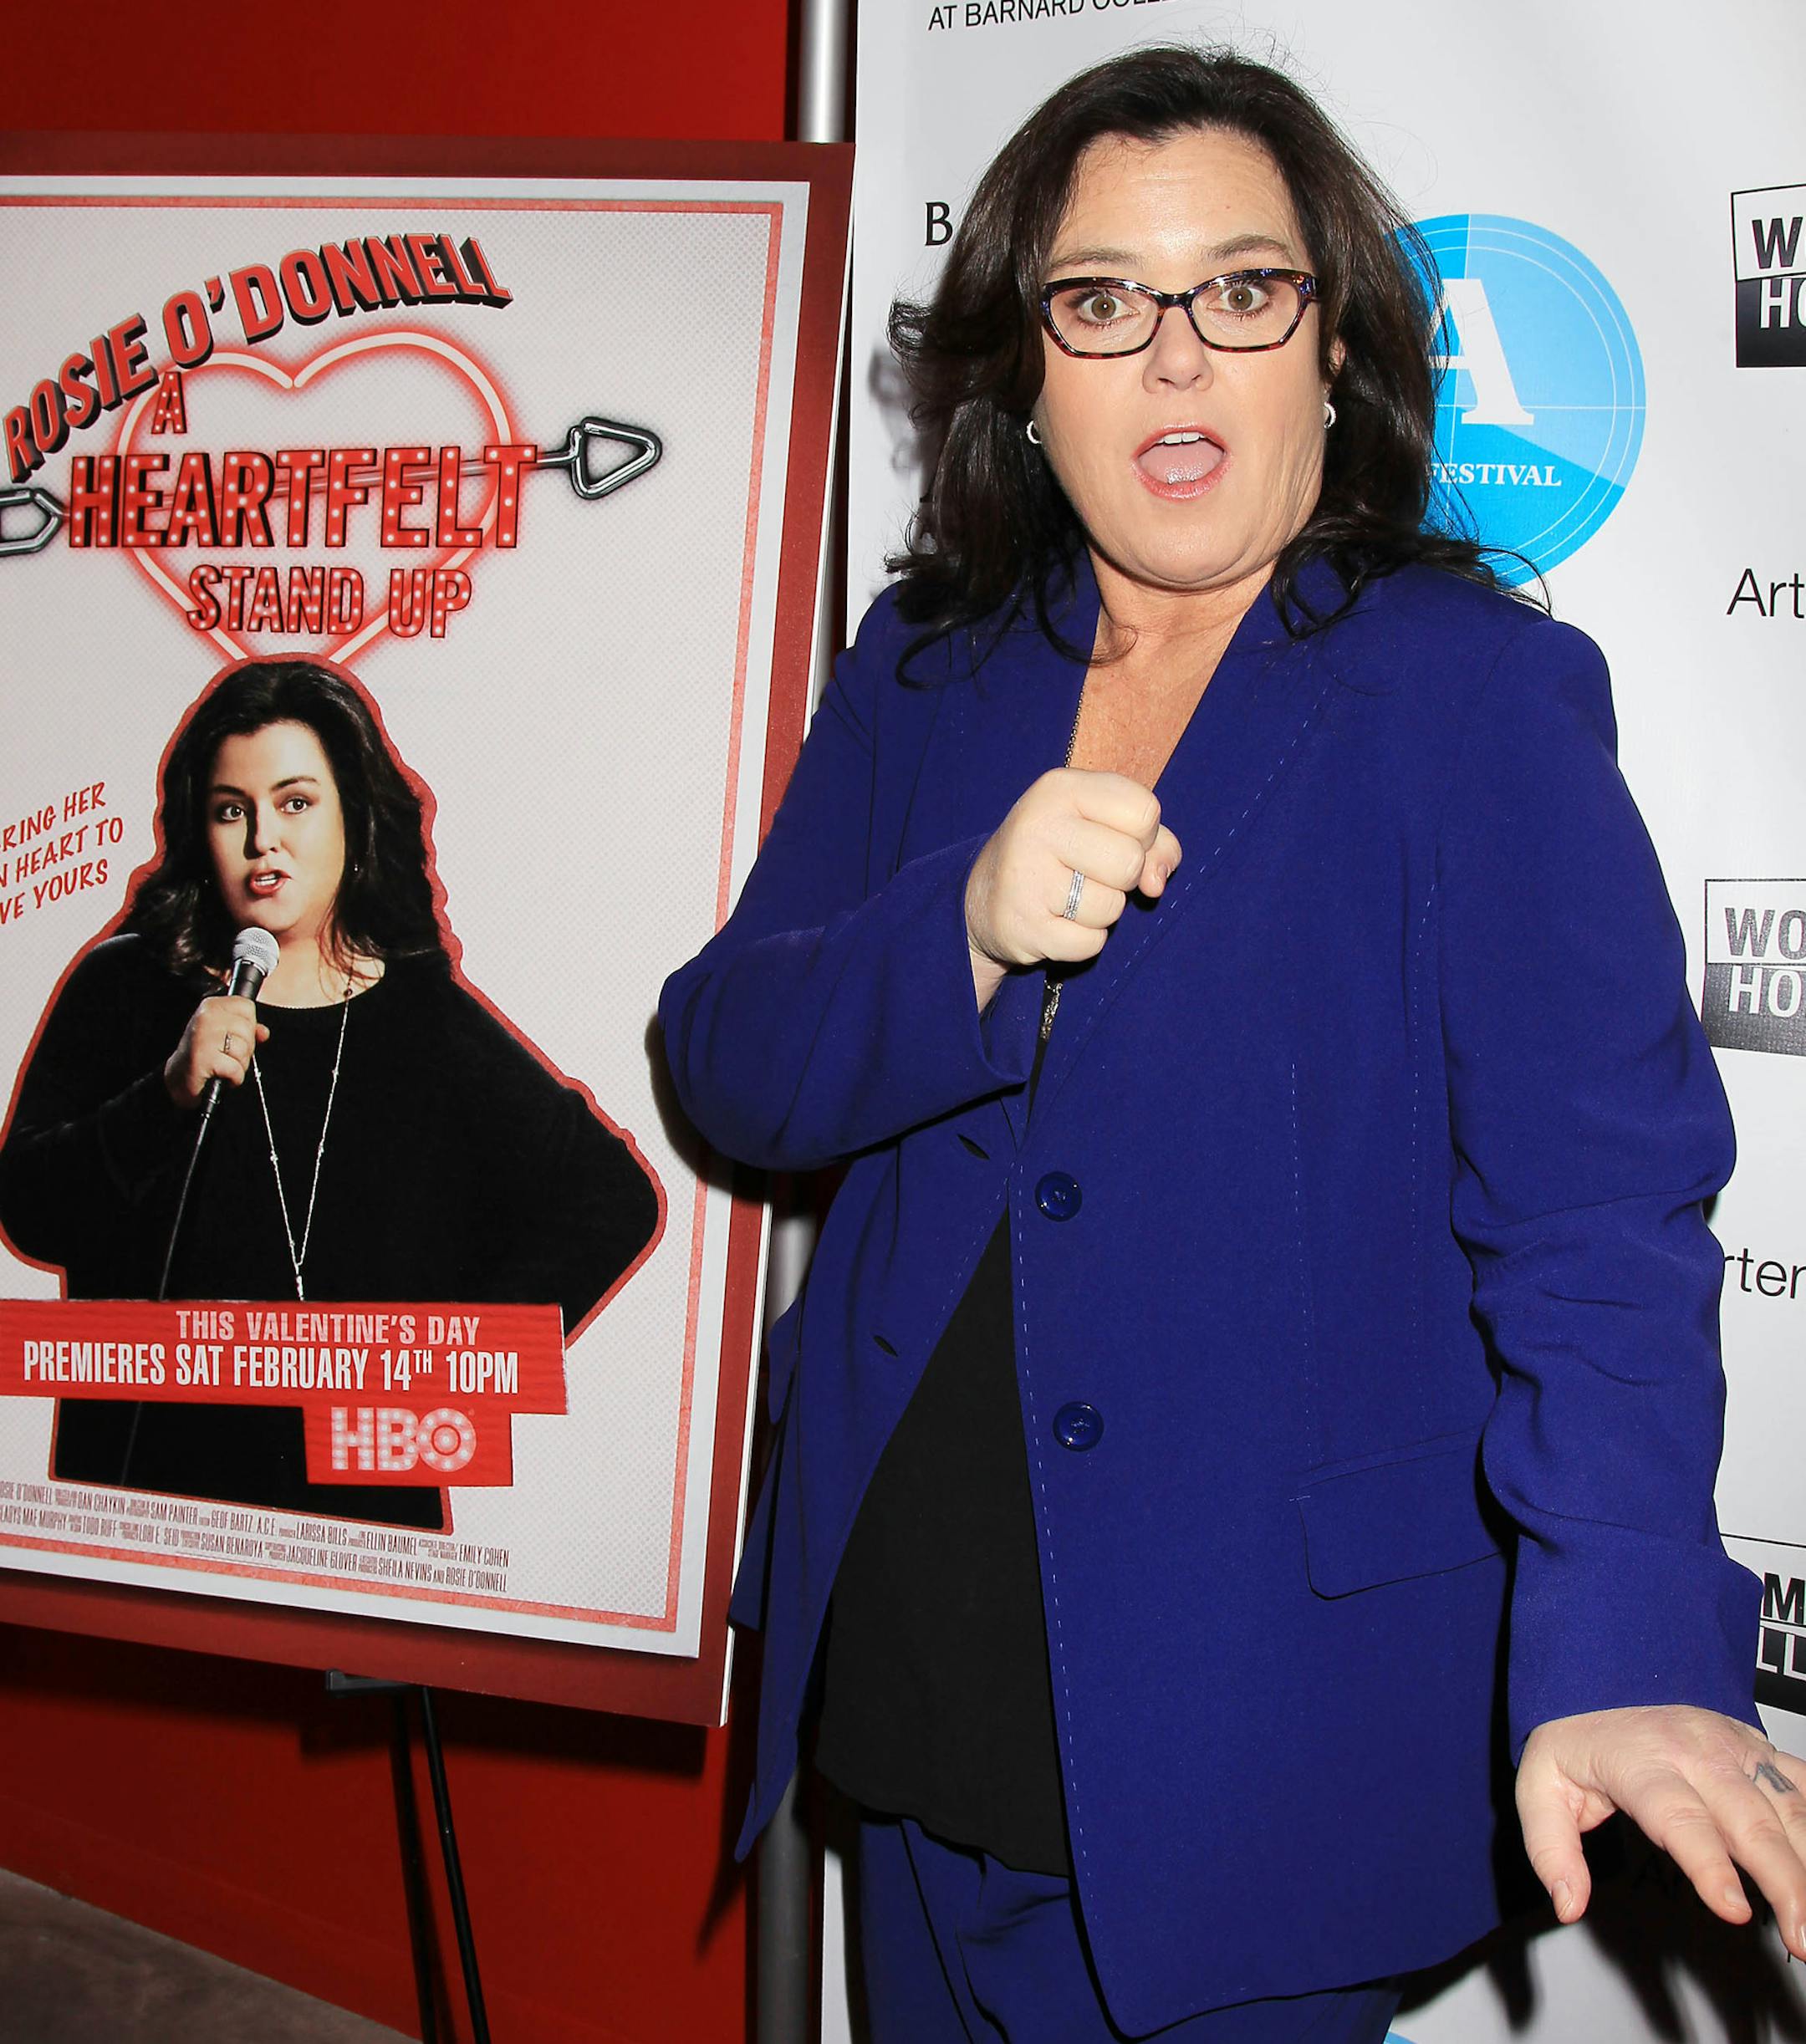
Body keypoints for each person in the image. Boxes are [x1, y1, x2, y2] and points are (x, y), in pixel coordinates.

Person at [659, 43, 1806, 2044]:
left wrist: (1626, 1631)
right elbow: (727, 1059)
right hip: (910, 1689)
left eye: (1241, 292)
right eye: (1100, 300)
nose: (1173, 357)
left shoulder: (1469, 697)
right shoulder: (924, 670)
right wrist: (958, 931)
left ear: (1336, 345)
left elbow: (1597, 1215)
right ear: (1026, 366)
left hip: (1253, 1751)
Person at [0, 657, 661, 1531]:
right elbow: (26, 1208)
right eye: (231, 810)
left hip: (359, 1516)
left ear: (353, 812)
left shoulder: (423, 1020)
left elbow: (609, 1198)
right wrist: (163, 1095)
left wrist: (443, 1368)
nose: (261, 839)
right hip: (153, 1497)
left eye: (295, 803)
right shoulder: (127, 987)